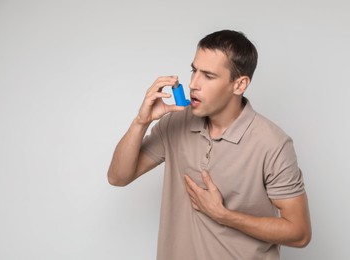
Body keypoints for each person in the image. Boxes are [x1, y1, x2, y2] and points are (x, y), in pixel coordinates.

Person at [107, 29, 311, 260]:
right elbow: (118, 177)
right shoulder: (176, 122)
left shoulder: (273, 143)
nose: (193, 83)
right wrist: (140, 122)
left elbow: (300, 233)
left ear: (239, 85)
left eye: (209, 76)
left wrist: (224, 215)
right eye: (194, 70)